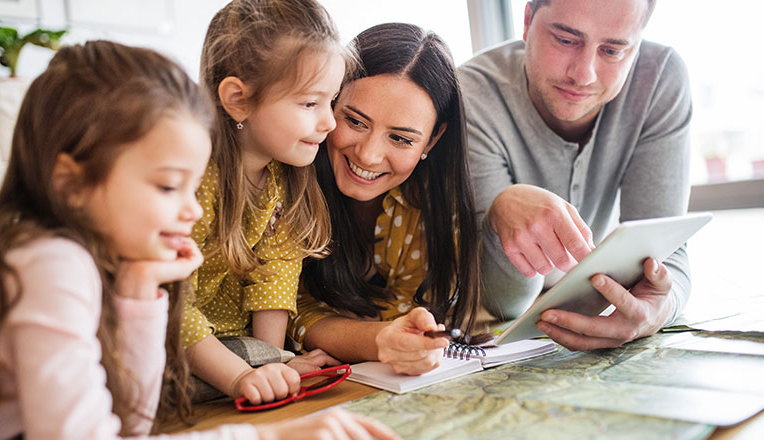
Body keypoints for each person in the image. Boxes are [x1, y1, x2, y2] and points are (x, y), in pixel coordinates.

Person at [0, 40, 398, 440]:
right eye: (167, 187)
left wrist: (140, 291)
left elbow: (132, 425)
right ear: (70, 183)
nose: (194, 210)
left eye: (192, 186)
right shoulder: (50, 266)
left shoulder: (101, 264)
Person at [458, 0, 692, 350]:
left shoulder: (660, 78)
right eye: (566, 40)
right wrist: (500, 214)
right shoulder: (469, 95)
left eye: (612, 50)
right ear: (527, 20)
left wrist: (660, 306)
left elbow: (668, 257)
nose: (584, 75)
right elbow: (500, 301)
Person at [182, 0, 354, 404]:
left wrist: (274, 363)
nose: (329, 121)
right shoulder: (192, 179)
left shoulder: (285, 177)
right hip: (168, 335)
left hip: (234, 346)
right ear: (238, 100)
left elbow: (274, 281)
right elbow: (168, 309)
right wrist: (243, 376)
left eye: (331, 101)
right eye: (310, 103)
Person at [289, 23, 482, 376]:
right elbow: (289, 313)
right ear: (331, 100)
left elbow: (410, 313)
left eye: (400, 139)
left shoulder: (435, 203)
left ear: (433, 140)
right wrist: (380, 339)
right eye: (355, 121)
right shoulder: (288, 181)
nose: (369, 155)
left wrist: (396, 338)